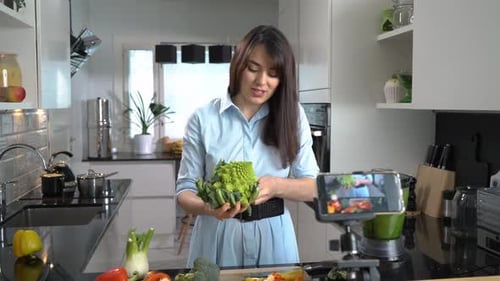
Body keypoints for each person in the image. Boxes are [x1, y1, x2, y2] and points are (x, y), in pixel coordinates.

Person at [175, 25, 320, 268]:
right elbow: (185, 192)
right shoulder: (203, 119)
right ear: (238, 66)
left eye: (273, 73)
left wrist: (275, 186)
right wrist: (209, 207)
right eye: (253, 69)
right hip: (216, 238)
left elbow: (313, 187)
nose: (261, 81)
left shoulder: (292, 116)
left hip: (275, 238)